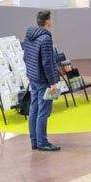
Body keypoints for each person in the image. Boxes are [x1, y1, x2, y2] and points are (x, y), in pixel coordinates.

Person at [22, 11, 61, 152]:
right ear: (47, 21)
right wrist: (52, 82)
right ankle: (42, 142)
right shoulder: (45, 39)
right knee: (43, 111)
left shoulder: (29, 34)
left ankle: (34, 141)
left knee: (34, 109)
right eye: (51, 19)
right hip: (43, 80)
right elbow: (47, 63)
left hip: (33, 77)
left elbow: (25, 56)